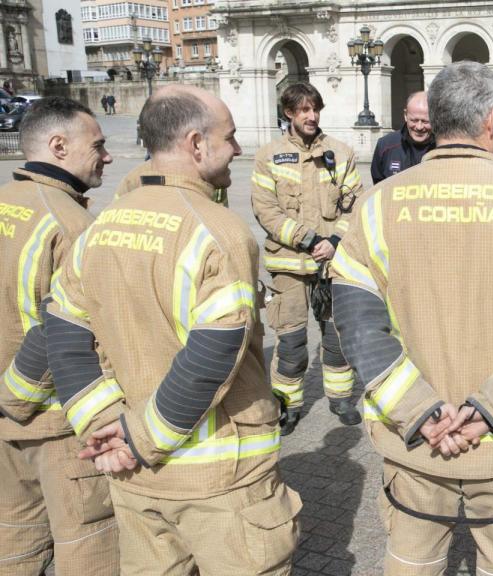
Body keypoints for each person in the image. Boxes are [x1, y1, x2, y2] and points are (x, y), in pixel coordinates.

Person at [330, 60, 493, 576]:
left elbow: (357, 320)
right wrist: (490, 410)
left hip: (416, 445)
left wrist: (421, 412)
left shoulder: (378, 203)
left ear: (438, 118)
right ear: (492, 121)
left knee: (410, 563)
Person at [43, 85, 302, 575]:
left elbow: (63, 330)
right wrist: (139, 437)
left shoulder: (100, 225)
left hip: (134, 478)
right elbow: (212, 357)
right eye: (230, 137)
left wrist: (105, 428)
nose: (239, 149)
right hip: (219, 483)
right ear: (196, 144)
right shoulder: (219, 232)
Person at [0, 97, 118, 574]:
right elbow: (66, 327)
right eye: (98, 145)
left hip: (5, 424)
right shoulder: (73, 225)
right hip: (54, 423)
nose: (107, 156)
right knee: (89, 546)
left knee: (14, 542)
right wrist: (16, 397)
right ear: (58, 146)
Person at [251, 83, 364, 434]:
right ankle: (289, 404)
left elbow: (356, 203)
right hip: (289, 266)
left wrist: (333, 240)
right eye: (303, 110)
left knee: (336, 338)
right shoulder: (268, 156)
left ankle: (341, 399)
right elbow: (265, 210)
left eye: (315, 109)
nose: (311, 116)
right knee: (292, 344)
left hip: (331, 264)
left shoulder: (341, 153)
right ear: (288, 112)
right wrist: (308, 238)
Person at [370, 91, 434, 183]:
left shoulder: (444, 146)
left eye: (425, 122)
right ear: (405, 115)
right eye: (414, 120)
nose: (419, 127)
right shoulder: (385, 145)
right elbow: (378, 186)